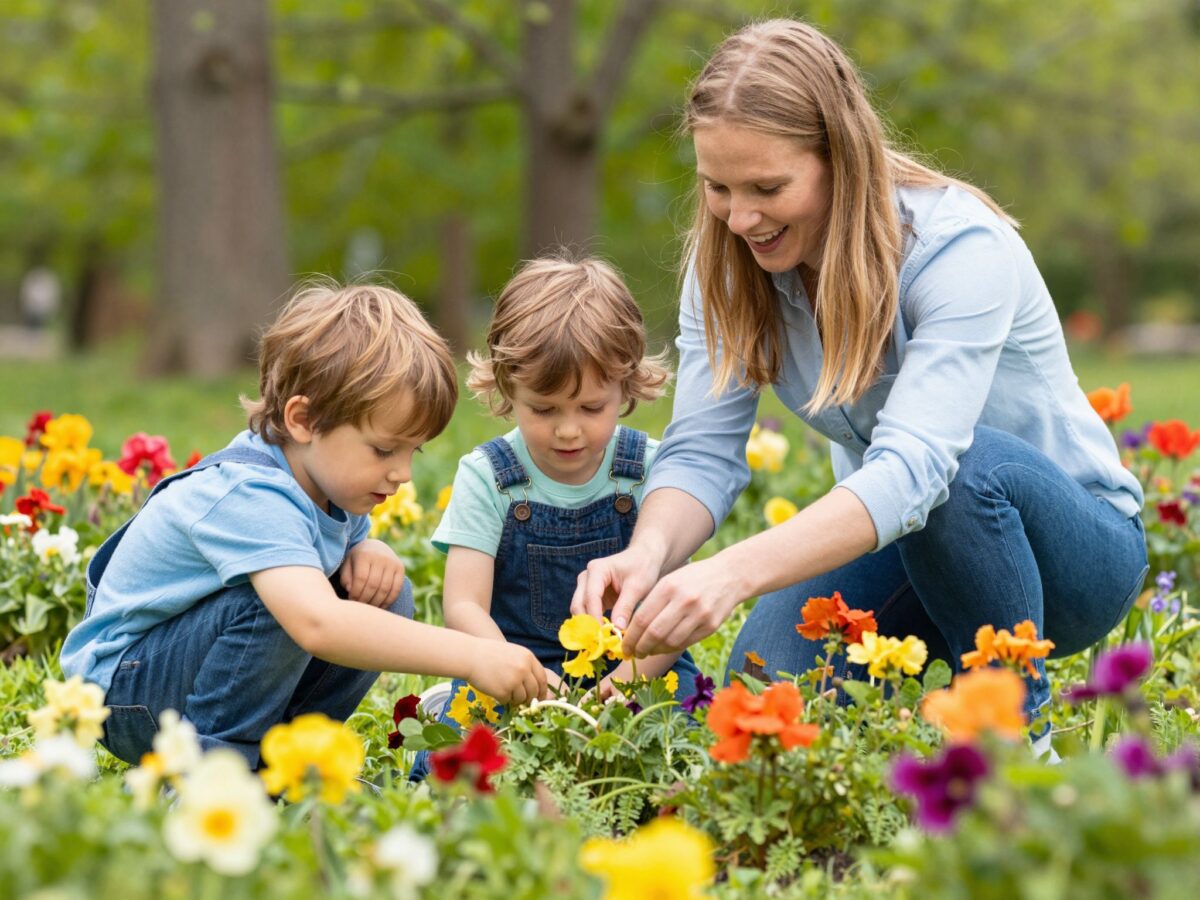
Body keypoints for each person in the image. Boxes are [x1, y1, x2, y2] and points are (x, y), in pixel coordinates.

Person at [572, 19, 1148, 744]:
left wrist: (730, 572)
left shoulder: (959, 251)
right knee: (769, 672)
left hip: (1074, 558)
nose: (741, 217)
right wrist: (647, 553)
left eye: (768, 186)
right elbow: (701, 452)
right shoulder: (726, 266)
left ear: (839, 159)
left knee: (959, 472)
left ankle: (1015, 758)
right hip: (914, 545)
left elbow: (916, 471)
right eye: (717, 186)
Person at [60, 281, 547, 767]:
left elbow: (335, 576)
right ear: (304, 420)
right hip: (121, 695)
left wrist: (367, 551)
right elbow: (316, 623)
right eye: (383, 449)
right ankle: (211, 777)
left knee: (383, 595)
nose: (401, 473)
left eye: (411, 451)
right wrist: (474, 656)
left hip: (178, 677)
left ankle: (281, 768)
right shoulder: (250, 493)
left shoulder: (327, 481)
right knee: (281, 607)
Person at [410, 257, 704, 778]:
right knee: (458, 757)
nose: (568, 431)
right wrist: (512, 670)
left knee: (686, 739)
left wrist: (633, 677)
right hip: (512, 665)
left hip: (636, 661)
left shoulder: (651, 470)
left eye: (591, 408)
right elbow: (462, 606)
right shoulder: (489, 476)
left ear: (627, 386)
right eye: (544, 410)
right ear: (507, 389)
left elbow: (670, 610)